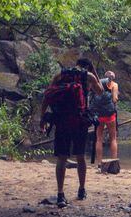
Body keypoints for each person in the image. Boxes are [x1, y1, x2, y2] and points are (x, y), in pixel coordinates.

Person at [40, 58, 103, 208]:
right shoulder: (88, 76)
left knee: (62, 158)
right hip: (79, 121)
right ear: (87, 67)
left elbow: (47, 96)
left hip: (61, 121)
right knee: (80, 157)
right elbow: (100, 91)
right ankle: (81, 190)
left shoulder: (60, 75)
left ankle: (60, 194)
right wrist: (94, 72)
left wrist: (42, 119)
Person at [91, 70, 119, 169]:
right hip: (110, 115)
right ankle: (114, 162)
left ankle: (99, 163)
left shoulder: (98, 85)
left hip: (99, 115)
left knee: (99, 138)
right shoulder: (114, 85)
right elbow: (115, 99)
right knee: (113, 139)